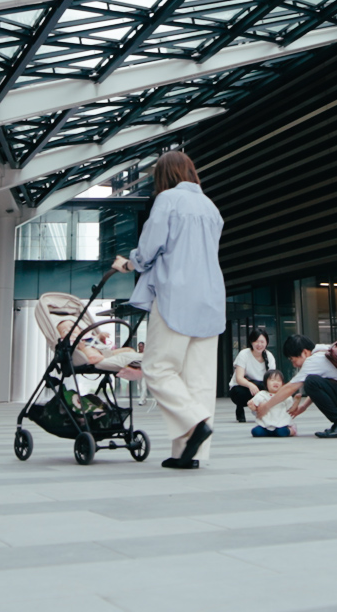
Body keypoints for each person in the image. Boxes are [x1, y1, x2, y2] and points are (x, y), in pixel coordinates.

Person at [111, 150, 225, 470]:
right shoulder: (211, 207)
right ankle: (189, 454)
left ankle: (193, 423)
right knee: (198, 379)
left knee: (158, 368)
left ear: (165, 175)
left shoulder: (167, 200)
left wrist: (129, 262)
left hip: (176, 296)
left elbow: (148, 250)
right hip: (211, 298)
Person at [256, 333, 337, 438]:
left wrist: (266, 406)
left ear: (304, 352)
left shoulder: (313, 360)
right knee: (313, 381)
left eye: (293, 359)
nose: (294, 365)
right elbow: (325, 388)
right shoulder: (324, 349)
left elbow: (290, 388)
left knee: (311, 381)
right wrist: (303, 407)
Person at [227, 328, 274, 423]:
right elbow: (239, 378)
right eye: (256, 341)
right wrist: (250, 385)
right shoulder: (244, 354)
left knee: (267, 389)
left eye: (262, 342)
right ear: (251, 342)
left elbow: (271, 379)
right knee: (239, 392)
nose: (259, 345)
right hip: (243, 388)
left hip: (261, 388)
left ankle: (261, 410)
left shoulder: (269, 356)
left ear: (267, 343)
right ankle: (240, 408)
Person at [249, 369, 302, 437]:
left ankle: (292, 430)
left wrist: (296, 402)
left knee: (282, 432)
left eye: (279, 380)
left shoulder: (285, 395)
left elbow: (291, 410)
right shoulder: (261, 394)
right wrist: (252, 406)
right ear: (266, 383)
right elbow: (254, 407)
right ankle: (269, 432)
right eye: (272, 380)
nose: (276, 382)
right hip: (265, 425)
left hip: (281, 425)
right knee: (256, 432)